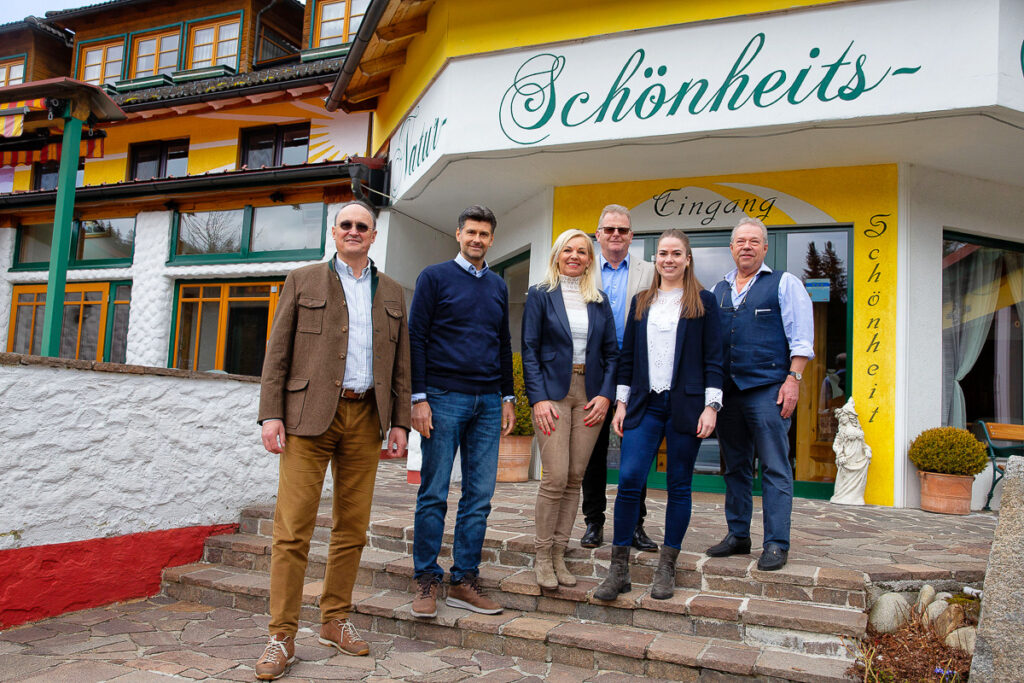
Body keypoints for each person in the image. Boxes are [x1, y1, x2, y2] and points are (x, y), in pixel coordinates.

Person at [254, 200, 411, 680]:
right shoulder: (303, 281)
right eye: (346, 224)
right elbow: (277, 350)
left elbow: (402, 363)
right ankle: (281, 635)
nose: (354, 231)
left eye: (362, 225)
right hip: (306, 418)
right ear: (334, 231)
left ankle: (334, 619)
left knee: (352, 529)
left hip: (367, 417)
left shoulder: (394, 292)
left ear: (374, 234)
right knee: (292, 529)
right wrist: (270, 414)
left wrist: (400, 422)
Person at [594, 229, 723, 601]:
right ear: (657, 259)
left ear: (687, 258)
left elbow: (714, 357)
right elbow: (628, 358)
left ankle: (667, 567)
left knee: (679, 485)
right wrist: (620, 403)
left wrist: (711, 406)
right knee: (630, 479)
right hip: (644, 404)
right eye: (663, 253)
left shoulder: (704, 302)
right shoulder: (641, 301)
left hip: (686, 405)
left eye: (676, 253)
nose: (668, 259)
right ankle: (618, 570)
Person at [408, 205, 516, 618]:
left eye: (484, 234)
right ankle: (426, 579)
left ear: (491, 239)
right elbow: (417, 338)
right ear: (458, 234)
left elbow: (503, 344)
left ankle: (464, 580)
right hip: (443, 397)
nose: (477, 239)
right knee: (434, 492)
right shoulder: (434, 277)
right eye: (471, 232)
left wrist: (508, 397)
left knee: (479, 496)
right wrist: (419, 398)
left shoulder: (497, 285)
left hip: (488, 402)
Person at [705, 216, 813, 572]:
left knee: (774, 467)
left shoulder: (785, 283)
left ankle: (776, 543)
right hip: (728, 394)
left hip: (768, 389)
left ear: (764, 248)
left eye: (754, 241)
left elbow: (801, 338)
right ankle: (738, 535)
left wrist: (793, 379)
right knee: (735, 467)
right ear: (732, 248)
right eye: (741, 241)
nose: (747, 246)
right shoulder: (718, 289)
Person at [521, 229, 619, 589]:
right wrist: (538, 399)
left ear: (590, 259)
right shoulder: (540, 295)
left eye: (582, 251)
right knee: (555, 476)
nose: (574, 256)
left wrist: (606, 395)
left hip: (590, 395)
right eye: (568, 250)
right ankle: (542, 555)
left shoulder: (599, 300)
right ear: (557, 255)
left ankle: (560, 554)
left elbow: (611, 353)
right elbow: (529, 349)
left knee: (576, 476)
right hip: (552, 394)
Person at [580, 204, 657, 552]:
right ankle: (593, 522)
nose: (616, 235)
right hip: (592, 371)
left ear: (631, 236)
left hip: (636, 370)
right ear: (598, 234)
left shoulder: (650, 271)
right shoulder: (581, 266)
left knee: (634, 452)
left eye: (623, 230)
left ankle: (635, 524)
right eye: (609, 229)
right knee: (592, 451)